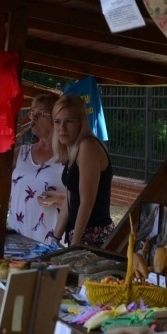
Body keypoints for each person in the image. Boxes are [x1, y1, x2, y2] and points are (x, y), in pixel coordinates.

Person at [51, 94, 115, 247]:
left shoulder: (88, 146)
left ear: (81, 122)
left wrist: (74, 245)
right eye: (57, 122)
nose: (62, 128)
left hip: (94, 238)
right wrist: (55, 238)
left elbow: (87, 201)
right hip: (80, 236)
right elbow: (70, 199)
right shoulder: (75, 148)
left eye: (69, 121)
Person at [8, 93, 66, 243]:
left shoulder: (69, 157)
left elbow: (85, 199)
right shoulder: (21, 152)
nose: (33, 117)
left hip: (50, 240)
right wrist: (8, 142)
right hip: (17, 236)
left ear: (56, 120)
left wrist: (61, 198)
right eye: (32, 112)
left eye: (40, 113)